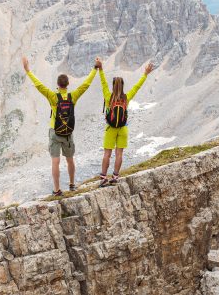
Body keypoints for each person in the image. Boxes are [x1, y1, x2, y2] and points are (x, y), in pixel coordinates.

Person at [22, 56, 98, 196]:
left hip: (55, 132)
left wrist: (28, 71)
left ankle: (57, 189)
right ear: (68, 84)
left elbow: (39, 86)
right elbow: (86, 84)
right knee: (70, 160)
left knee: (55, 162)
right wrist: (95, 69)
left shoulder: (52, 96)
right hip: (68, 134)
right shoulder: (73, 96)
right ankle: (72, 184)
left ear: (58, 85)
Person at [96, 57, 155, 187]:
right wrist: (145, 74)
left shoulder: (108, 97)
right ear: (122, 86)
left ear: (113, 86)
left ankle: (103, 178)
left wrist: (100, 69)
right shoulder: (126, 98)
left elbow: (103, 83)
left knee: (107, 153)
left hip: (110, 128)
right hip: (123, 129)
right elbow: (137, 87)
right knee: (119, 153)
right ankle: (115, 176)